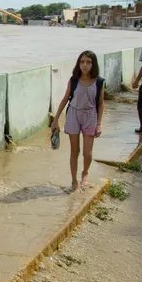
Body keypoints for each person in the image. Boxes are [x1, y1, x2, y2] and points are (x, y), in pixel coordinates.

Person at [51, 51, 104, 192]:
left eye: (88, 62)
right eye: (82, 62)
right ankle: (74, 179)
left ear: (93, 64)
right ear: (78, 64)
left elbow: (100, 103)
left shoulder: (99, 82)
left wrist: (99, 124)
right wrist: (55, 120)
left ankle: (85, 173)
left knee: (88, 153)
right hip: (73, 115)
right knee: (75, 151)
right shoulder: (73, 80)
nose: (85, 65)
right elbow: (64, 99)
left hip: (90, 116)